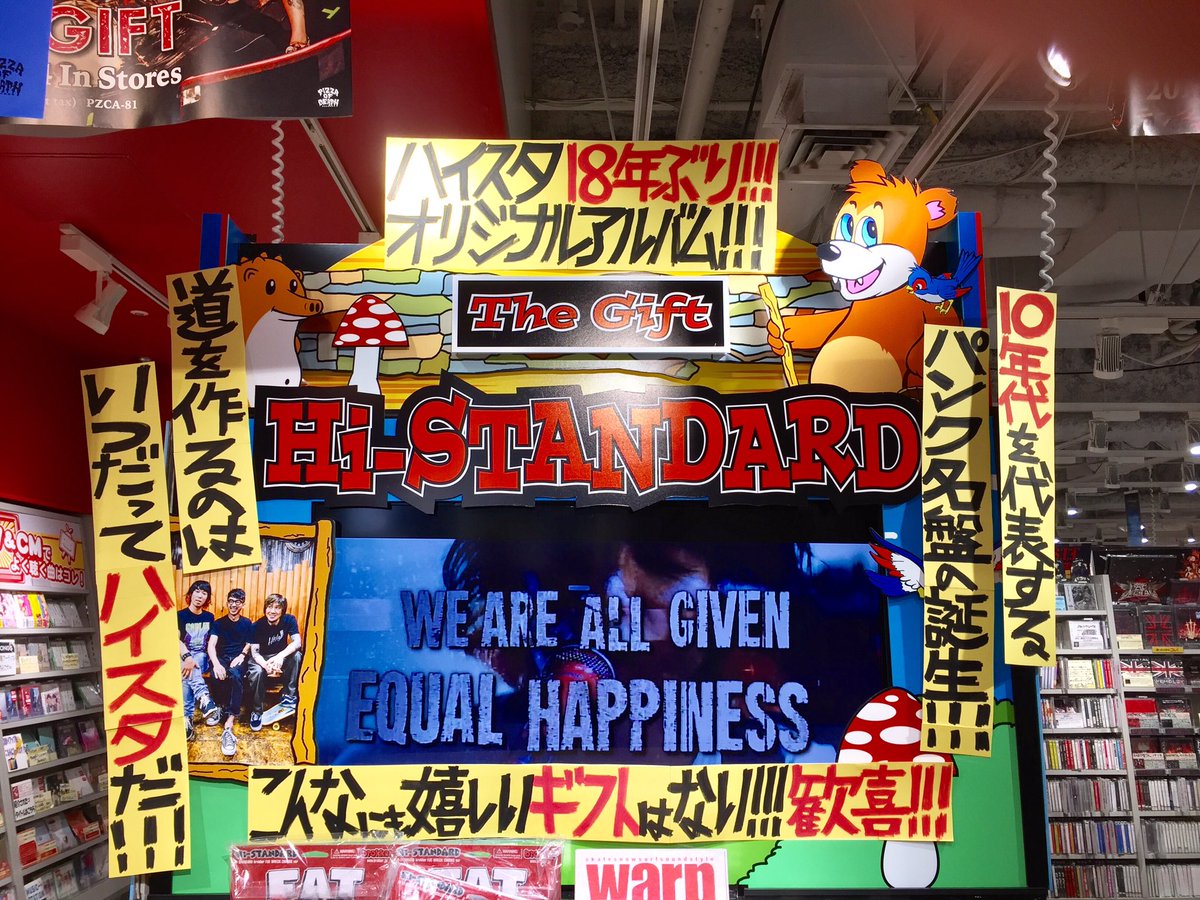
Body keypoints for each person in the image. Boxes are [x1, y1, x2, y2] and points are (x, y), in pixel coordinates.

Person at [207, 588, 254, 758]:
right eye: (231, 601)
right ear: (227, 603)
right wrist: (216, 663)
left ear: (243, 604)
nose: (233, 605)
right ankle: (220, 708)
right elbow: (211, 645)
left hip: (239, 658)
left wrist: (242, 655)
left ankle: (231, 717)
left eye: (237, 602)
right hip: (222, 657)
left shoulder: (247, 623)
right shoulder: (218, 623)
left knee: (235, 674)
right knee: (215, 674)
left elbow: (249, 642)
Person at [246, 593, 302, 731]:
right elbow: (255, 653)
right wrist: (266, 666)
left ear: (282, 610)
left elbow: (297, 642)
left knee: (297, 656)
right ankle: (257, 711)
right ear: (265, 608)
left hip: (279, 656)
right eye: (269, 607)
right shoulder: (256, 626)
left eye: (277, 607)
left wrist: (280, 657)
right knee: (257, 672)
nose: (272, 611)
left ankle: (289, 697)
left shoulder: (289, 620)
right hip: (261, 658)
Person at [178, 580, 221, 741]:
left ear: (207, 598)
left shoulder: (209, 617)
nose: (200, 596)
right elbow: (177, 640)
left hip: (202, 657)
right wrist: (187, 657)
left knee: (194, 663)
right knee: (186, 671)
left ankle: (186, 718)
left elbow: (210, 645)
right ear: (190, 594)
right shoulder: (180, 615)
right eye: (197, 591)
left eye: (204, 593)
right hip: (184, 656)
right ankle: (204, 698)